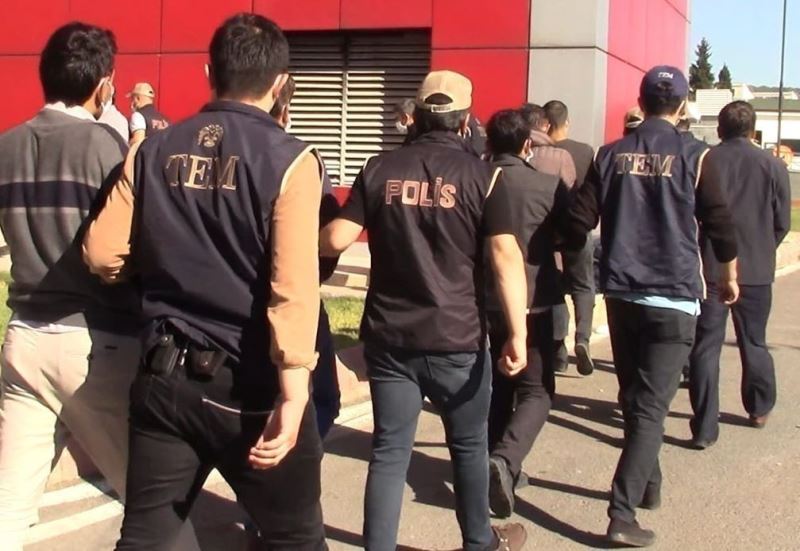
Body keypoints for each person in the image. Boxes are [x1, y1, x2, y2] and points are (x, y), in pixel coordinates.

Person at [84, 14, 327, 550]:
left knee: (147, 536)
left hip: (164, 375)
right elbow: (293, 286)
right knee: (295, 538)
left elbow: (101, 254)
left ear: (208, 72)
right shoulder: (291, 160)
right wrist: (295, 393)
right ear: (281, 83)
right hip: (250, 384)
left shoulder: (151, 149)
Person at [0, 22, 197, 551]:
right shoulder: (106, 145)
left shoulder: (7, 145)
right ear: (104, 84)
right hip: (96, 341)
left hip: (24, 337)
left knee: (8, 508)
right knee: (154, 505)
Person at [321, 70, 528, 551]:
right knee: (469, 447)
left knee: (390, 451)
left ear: (415, 116)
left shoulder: (379, 168)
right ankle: (479, 542)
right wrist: (518, 333)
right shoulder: (485, 176)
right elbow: (505, 257)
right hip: (458, 337)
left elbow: (336, 238)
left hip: (390, 338)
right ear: (466, 121)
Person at [564, 66, 739, 547]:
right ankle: (621, 515)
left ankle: (649, 483)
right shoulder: (697, 156)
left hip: (622, 294)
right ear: (681, 107)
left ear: (641, 102)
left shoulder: (611, 154)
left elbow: (578, 219)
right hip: (674, 294)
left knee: (636, 399)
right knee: (650, 409)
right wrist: (729, 276)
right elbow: (721, 227)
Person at [688, 101, 791, 448]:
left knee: (706, 345)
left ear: (720, 129)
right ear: (752, 129)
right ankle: (759, 407)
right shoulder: (773, 165)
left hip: (710, 264)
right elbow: (782, 221)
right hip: (756, 267)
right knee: (754, 340)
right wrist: (763, 247)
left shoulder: (706, 161)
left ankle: (704, 426)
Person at [484, 108, 568, 518]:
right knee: (537, 389)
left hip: (484, 299)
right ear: (527, 145)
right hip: (535, 299)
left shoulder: (476, 180)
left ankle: (493, 461)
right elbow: (572, 236)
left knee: (500, 386)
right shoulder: (548, 185)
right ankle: (505, 459)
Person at [270, 75, 342, 437]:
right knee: (322, 399)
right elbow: (325, 240)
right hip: (293, 301)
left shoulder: (171, 147)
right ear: (284, 107)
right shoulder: (300, 161)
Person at [520, 103, 577, 373]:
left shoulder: (498, 156)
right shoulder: (561, 156)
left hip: (510, 241)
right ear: (545, 125)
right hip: (547, 241)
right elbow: (569, 197)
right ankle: (557, 350)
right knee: (551, 297)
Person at [545, 99, 597, 376]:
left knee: (553, 289)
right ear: (566, 122)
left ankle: (558, 352)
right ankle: (583, 338)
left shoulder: (541, 153)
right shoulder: (584, 151)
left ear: (545, 123)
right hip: (578, 228)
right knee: (583, 286)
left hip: (548, 231)